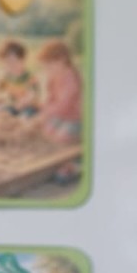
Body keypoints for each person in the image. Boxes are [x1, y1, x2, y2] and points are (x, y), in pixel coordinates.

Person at [38, 40, 83, 184]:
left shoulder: (71, 78)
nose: (47, 69)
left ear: (62, 60)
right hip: (60, 116)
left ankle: (76, 164)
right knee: (46, 133)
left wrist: (46, 113)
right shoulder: (53, 76)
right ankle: (62, 161)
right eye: (45, 65)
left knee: (60, 139)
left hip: (75, 119)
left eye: (49, 64)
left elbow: (64, 105)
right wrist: (44, 113)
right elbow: (50, 99)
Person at [0, 40, 40, 117]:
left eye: (13, 62)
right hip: (13, 106)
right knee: (0, 111)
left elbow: (33, 94)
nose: (10, 66)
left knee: (27, 114)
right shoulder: (6, 77)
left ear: (23, 60)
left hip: (28, 106)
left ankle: (22, 121)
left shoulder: (30, 77)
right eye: (6, 63)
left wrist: (25, 100)